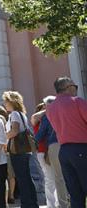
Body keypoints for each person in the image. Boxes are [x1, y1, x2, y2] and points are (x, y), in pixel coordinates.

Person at [46, 77, 87, 208]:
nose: (75, 89)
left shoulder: (50, 108)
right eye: (74, 86)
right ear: (68, 87)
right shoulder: (77, 102)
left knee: (75, 194)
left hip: (63, 151)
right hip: (81, 148)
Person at [3, 91, 39, 208]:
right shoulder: (21, 114)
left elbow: (14, 131)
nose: (4, 104)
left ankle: (26, 204)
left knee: (22, 178)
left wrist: (3, 136)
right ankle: (32, 203)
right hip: (24, 150)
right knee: (26, 177)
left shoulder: (14, 114)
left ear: (12, 102)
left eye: (6, 101)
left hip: (17, 150)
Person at [35, 96, 70, 208]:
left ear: (47, 105)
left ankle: (62, 204)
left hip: (54, 146)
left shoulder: (47, 116)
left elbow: (40, 135)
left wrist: (33, 140)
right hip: (69, 144)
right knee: (69, 175)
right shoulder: (66, 112)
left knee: (58, 177)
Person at [32, 101, 59, 208]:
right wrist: (48, 109)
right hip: (43, 152)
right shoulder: (37, 119)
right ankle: (51, 204)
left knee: (56, 178)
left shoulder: (50, 118)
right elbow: (35, 117)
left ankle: (56, 203)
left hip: (50, 150)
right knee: (49, 178)